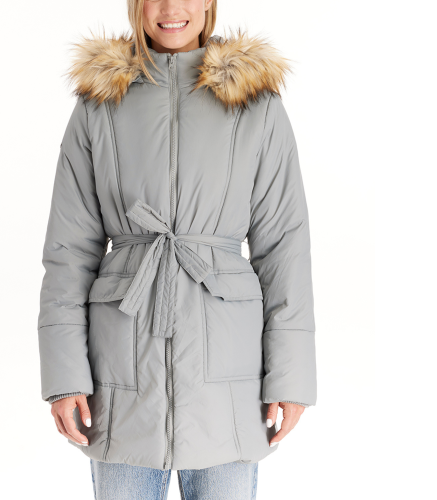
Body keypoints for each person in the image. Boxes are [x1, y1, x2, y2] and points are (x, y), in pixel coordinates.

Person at [37, 0, 317, 498]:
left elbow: (284, 247)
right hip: (120, 380)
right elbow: (69, 251)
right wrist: (65, 377)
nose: (171, 8)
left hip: (228, 380)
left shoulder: (255, 102)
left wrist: (290, 378)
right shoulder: (100, 101)